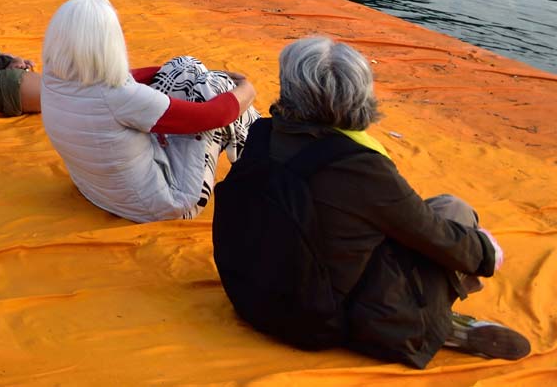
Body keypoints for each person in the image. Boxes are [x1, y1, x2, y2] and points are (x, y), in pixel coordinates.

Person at [213, 35, 527, 366]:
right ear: (359, 96)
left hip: (255, 298)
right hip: (322, 320)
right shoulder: (361, 167)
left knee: (366, 226)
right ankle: (431, 323)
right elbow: (434, 234)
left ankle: (425, 316)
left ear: (289, 87)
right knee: (453, 211)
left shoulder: (262, 135)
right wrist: (486, 253)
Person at [38, 0, 259, 223]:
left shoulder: (53, 79)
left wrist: (182, 71)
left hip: (98, 191)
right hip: (163, 205)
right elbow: (212, 116)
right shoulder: (119, 97)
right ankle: (262, 158)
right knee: (215, 88)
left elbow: (126, 79)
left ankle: (257, 150)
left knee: (184, 66)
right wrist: (246, 89)